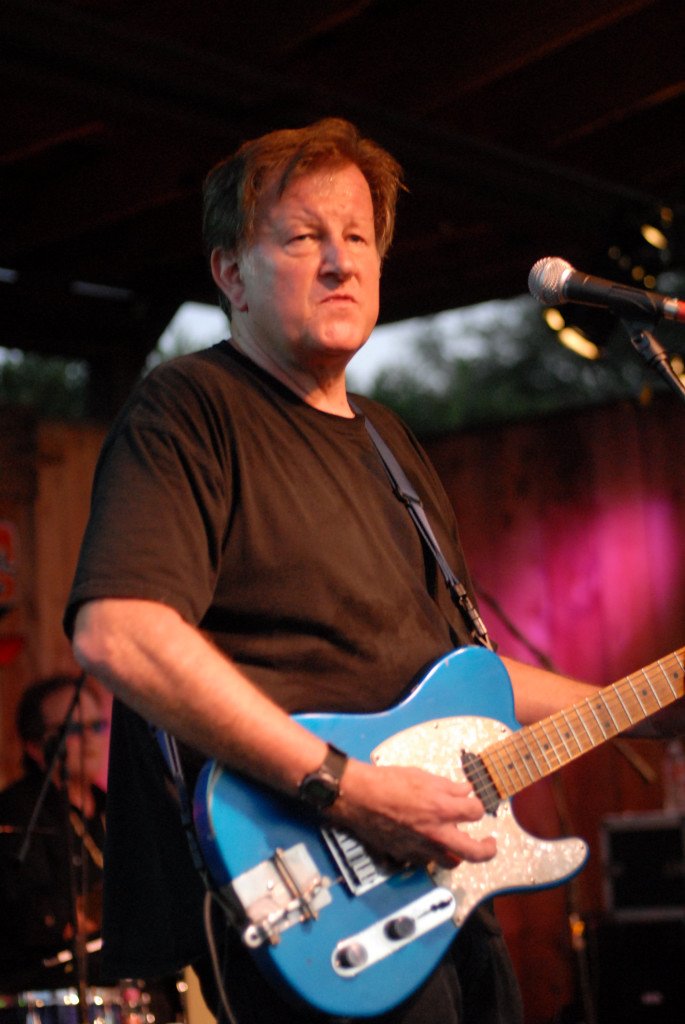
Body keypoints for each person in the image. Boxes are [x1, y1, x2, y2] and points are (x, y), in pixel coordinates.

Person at [63, 118, 684, 1023]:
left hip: (435, 889)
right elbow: (121, 630)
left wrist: (651, 711)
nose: (339, 263)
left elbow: (463, 671)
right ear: (229, 273)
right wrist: (344, 787)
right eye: (302, 237)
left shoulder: (389, 441)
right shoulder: (190, 407)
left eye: (357, 237)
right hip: (300, 905)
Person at [0, 674, 109, 992]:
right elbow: (29, 917)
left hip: (124, 986)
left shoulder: (114, 807)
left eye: (96, 726)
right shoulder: (17, 812)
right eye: (72, 729)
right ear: (35, 746)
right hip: (48, 990)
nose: (89, 739)